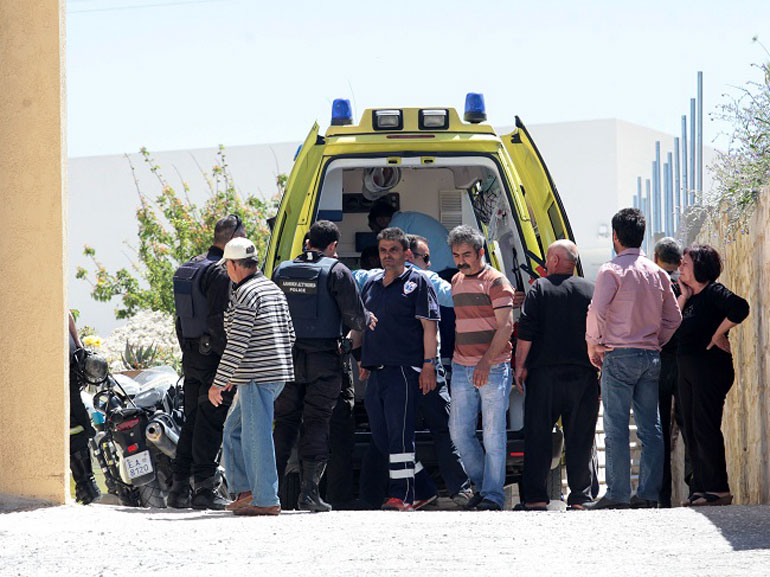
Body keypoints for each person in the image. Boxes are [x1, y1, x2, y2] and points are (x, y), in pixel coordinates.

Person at [352, 234, 473, 508]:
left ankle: (414, 493)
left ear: (406, 254)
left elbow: (430, 327)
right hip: (379, 370)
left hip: (411, 368)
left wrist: (429, 365)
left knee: (428, 430)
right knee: (383, 436)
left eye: (393, 250)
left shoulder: (419, 281)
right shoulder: (370, 283)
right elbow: (361, 323)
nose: (387, 255)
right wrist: (359, 356)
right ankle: (423, 489)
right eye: (383, 250)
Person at [272, 220, 375, 512]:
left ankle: (269, 492)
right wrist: (368, 317)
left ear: (307, 243)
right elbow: (356, 319)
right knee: (317, 422)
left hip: (288, 359)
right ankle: (309, 493)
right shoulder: (337, 271)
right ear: (333, 246)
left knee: (284, 424)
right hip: (324, 361)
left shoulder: (282, 270)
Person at [585, 208, 681, 510]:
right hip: (650, 356)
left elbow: (597, 311)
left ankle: (618, 493)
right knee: (651, 428)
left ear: (615, 236)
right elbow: (674, 318)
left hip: (619, 354)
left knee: (615, 426)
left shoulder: (611, 271)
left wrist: (593, 343)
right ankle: (648, 493)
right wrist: (657, 341)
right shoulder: (657, 273)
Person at [208, 237, 296, 516]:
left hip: (257, 376)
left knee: (256, 436)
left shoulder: (245, 294)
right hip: (272, 373)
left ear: (235, 265)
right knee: (234, 429)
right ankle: (246, 491)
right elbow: (290, 333)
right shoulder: (272, 289)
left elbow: (237, 342)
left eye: (227, 266)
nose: (227, 272)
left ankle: (266, 498)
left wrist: (219, 382)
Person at [514, 240, 598, 511]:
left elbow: (526, 331)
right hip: (583, 374)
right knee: (580, 437)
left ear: (554, 260)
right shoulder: (591, 289)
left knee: (538, 435)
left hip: (544, 376)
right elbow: (600, 330)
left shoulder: (540, 287)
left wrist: (519, 366)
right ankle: (580, 497)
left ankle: (536, 497)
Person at [169, 215, 244, 510]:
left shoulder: (190, 267)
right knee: (210, 421)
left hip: (192, 355)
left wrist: (189, 351)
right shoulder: (221, 272)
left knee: (193, 420)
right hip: (212, 356)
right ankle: (204, 488)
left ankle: (178, 489)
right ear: (233, 237)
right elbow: (218, 321)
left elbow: (180, 320)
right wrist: (229, 362)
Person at [447, 225, 516, 511]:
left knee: (493, 434)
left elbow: (507, 326)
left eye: (466, 255)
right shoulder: (456, 280)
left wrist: (486, 362)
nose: (461, 261)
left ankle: (493, 496)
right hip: (461, 366)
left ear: (480, 252)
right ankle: (484, 486)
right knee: (458, 433)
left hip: (494, 367)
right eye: (456, 255)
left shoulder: (497, 281)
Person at [677, 245, 749, 507]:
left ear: (699, 266)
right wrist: (683, 297)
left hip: (710, 369)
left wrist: (718, 333)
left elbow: (740, 307)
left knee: (705, 426)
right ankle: (700, 488)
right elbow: (670, 326)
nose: (680, 267)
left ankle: (718, 489)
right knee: (691, 429)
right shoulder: (689, 298)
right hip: (687, 372)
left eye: (685, 263)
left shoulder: (713, 291)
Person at [652, 237, 688, 508]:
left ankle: (662, 496)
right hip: (686, 362)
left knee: (659, 429)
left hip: (661, 360)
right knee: (689, 426)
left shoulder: (654, 284)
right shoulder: (689, 285)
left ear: (656, 258)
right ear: (680, 260)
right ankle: (697, 487)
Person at [368, 199, 455, 276]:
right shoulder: (409, 217)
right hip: (452, 265)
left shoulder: (395, 225)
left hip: (438, 269)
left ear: (380, 221)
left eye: (375, 229)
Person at [68, 312, 101, 505]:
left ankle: (87, 488)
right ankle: (87, 488)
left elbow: (66, 314)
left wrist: (78, 345)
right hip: (62, 362)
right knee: (77, 425)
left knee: (78, 425)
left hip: (68, 363)